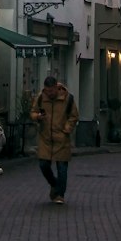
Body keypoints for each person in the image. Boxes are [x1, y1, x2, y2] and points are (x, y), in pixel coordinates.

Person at [30, 75, 79, 204]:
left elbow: (74, 116)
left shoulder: (67, 98)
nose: (49, 93)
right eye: (47, 91)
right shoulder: (41, 97)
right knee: (43, 165)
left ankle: (60, 195)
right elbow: (33, 112)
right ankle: (54, 184)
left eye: (51, 91)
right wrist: (37, 117)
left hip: (61, 138)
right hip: (45, 138)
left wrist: (66, 129)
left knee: (62, 167)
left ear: (56, 88)